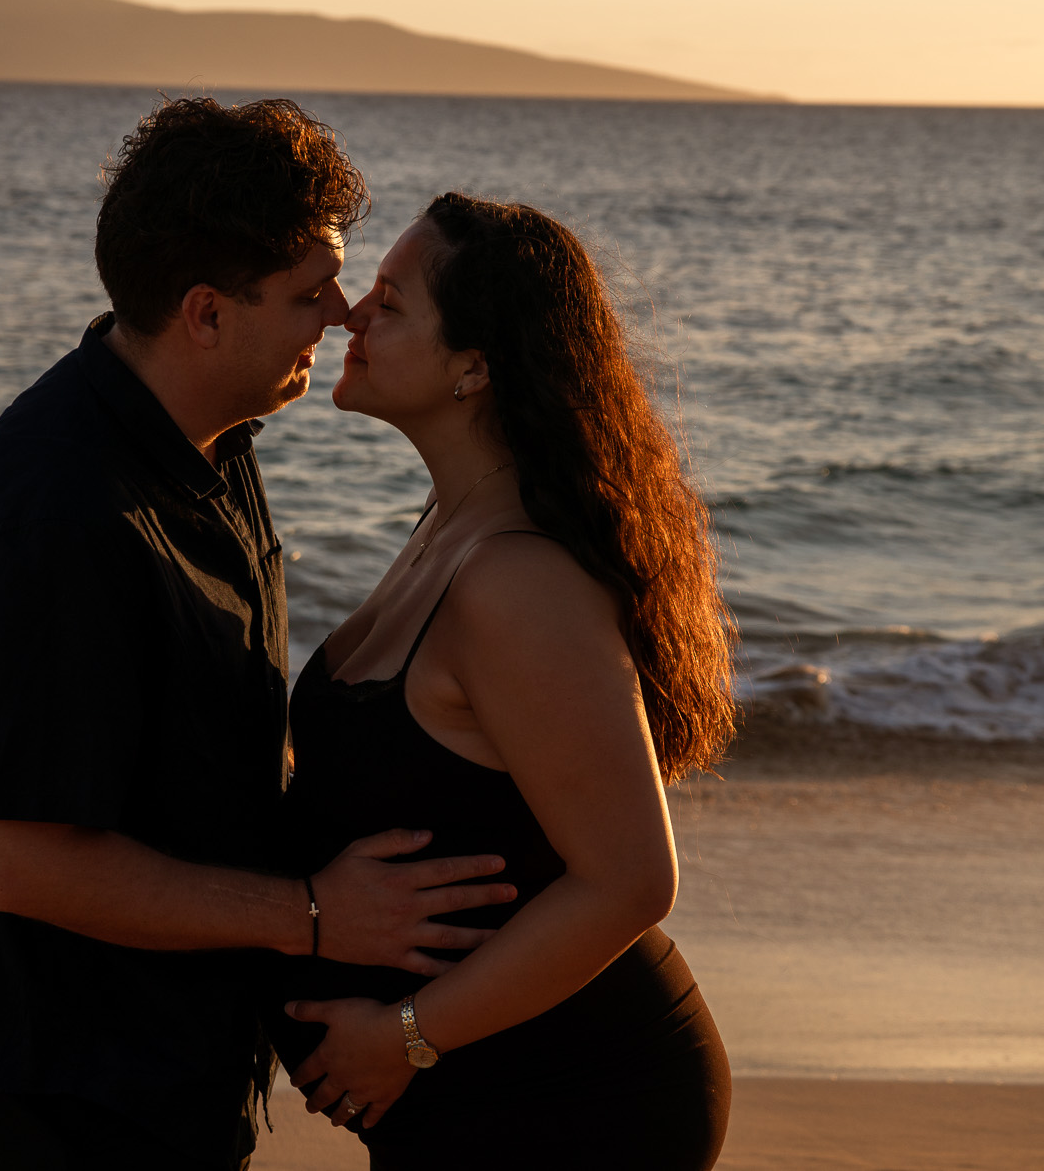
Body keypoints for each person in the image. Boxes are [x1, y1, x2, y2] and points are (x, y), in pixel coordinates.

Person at [0, 101, 520, 1171]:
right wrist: (315, 915)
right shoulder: (58, 511)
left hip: (166, 1055)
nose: (339, 314)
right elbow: (25, 864)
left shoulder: (213, 439)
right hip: (69, 1081)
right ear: (203, 314)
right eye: (306, 292)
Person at [268, 193, 738, 1170]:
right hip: (477, 1082)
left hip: (573, 1095)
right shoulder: (449, 527)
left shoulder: (515, 579)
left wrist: (403, 1033)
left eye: (390, 304)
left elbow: (631, 881)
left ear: (472, 368)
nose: (351, 314)